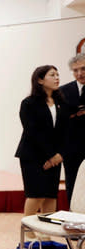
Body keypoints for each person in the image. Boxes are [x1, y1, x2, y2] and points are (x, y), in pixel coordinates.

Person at [15, 65, 68, 238]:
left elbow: (66, 132)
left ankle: (46, 235)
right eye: (52, 75)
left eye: (58, 74)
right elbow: (32, 132)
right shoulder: (29, 103)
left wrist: (59, 155)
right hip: (33, 156)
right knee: (36, 195)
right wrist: (50, 155)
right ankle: (28, 236)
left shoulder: (61, 103)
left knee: (50, 197)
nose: (57, 78)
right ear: (40, 80)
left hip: (56, 156)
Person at [60, 53, 85, 205]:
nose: (80, 73)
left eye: (83, 69)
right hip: (71, 148)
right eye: (75, 70)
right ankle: (73, 217)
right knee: (72, 184)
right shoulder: (63, 91)